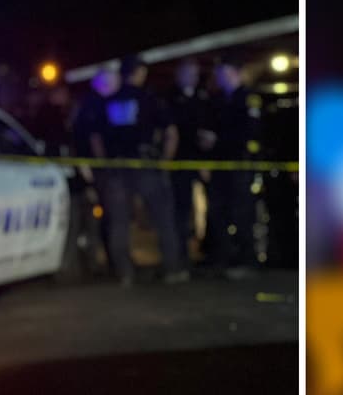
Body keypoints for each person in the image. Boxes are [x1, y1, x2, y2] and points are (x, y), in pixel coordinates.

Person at [74, 58, 188, 287]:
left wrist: (103, 162)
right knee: (164, 218)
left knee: (119, 222)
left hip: (116, 168)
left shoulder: (107, 100)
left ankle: (124, 272)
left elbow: (95, 137)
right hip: (146, 165)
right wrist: (165, 160)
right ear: (140, 73)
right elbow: (171, 132)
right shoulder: (150, 97)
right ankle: (172, 269)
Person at [206, 52, 262, 278]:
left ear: (236, 73)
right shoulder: (219, 100)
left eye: (224, 73)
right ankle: (223, 259)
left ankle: (247, 261)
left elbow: (252, 132)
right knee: (219, 212)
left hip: (240, 164)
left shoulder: (248, 98)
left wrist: (220, 139)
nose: (219, 77)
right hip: (221, 165)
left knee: (242, 212)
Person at [164, 57, 211, 268]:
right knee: (180, 211)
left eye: (195, 73)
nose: (191, 77)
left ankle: (209, 252)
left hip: (203, 163)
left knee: (212, 209)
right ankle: (181, 257)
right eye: (187, 73)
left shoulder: (204, 97)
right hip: (180, 164)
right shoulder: (170, 98)